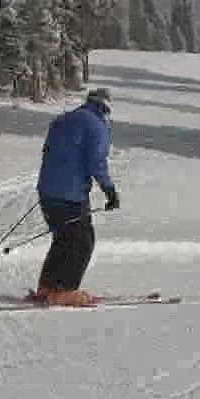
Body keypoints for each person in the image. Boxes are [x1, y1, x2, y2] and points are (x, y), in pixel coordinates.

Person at [28, 88, 119, 306]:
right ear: (105, 108)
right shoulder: (97, 127)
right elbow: (96, 162)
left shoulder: (63, 120)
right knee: (83, 242)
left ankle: (47, 287)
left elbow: (50, 152)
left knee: (62, 239)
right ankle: (65, 290)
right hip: (70, 195)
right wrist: (110, 191)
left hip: (47, 191)